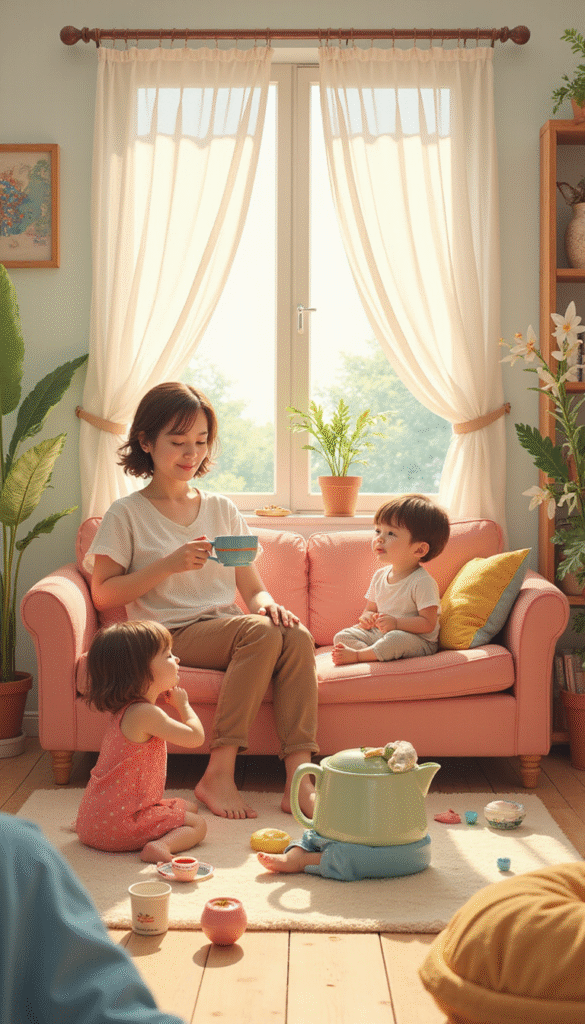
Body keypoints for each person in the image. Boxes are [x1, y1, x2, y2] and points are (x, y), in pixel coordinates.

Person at [85, 382, 319, 821]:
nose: (191, 453)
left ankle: (300, 780)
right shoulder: (126, 514)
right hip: (168, 634)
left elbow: (251, 586)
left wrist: (268, 603)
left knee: (295, 634)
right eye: (178, 442)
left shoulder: (221, 508)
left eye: (200, 441)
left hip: (226, 627)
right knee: (262, 632)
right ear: (147, 442)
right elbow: (104, 592)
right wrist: (167, 565)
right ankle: (219, 773)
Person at [0, 811, 187, 1023]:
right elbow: (99, 1001)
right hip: (129, 830)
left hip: (90, 827)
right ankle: (164, 842)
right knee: (193, 821)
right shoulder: (15, 851)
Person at [75, 620, 207, 862]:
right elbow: (196, 738)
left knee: (188, 807)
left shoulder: (125, 711)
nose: (176, 659)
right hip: (120, 826)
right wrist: (183, 706)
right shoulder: (147, 714)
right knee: (197, 824)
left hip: (90, 821)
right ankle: (160, 848)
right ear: (140, 670)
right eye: (168, 655)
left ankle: (102, 828)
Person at [331, 494, 450, 666]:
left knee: (395, 639)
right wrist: (367, 618)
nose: (379, 538)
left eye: (391, 533)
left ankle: (359, 656)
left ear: (419, 549)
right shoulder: (379, 576)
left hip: (416, 640)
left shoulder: (422, 581)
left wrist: (396, 623)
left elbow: (428, 624)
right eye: (378, 531)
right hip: (382, 634)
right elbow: (370, 609)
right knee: (342, 636)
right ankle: (375, 653)